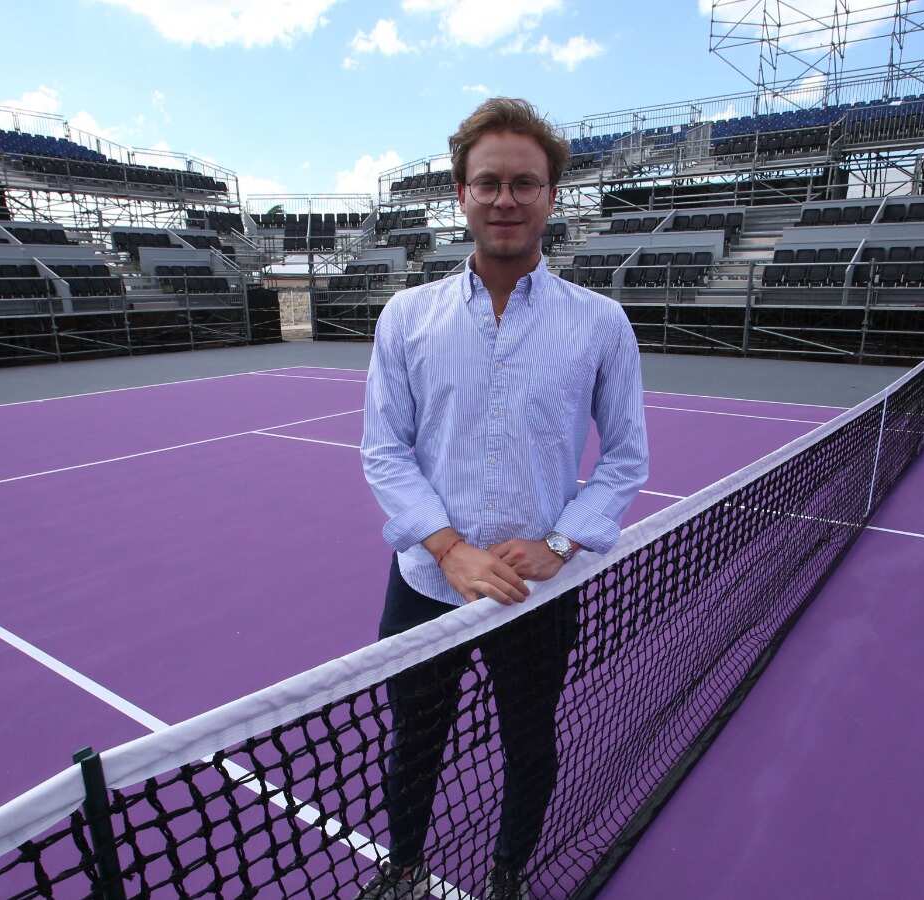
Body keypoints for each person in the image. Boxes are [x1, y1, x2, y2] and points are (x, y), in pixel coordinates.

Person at [357, 97, 650, 900]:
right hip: (427, 584)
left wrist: (560, 543)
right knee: (413, 743)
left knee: (530, 742)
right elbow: (384, 449)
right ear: (461, 195)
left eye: (524, 183)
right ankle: (403, 869)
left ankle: (509, 875)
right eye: (488, 183)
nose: (505, 199)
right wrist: (448, 549)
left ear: (551, 196)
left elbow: (626, 458)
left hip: (536, 590)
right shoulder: (406, 318)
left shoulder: (601, 324)